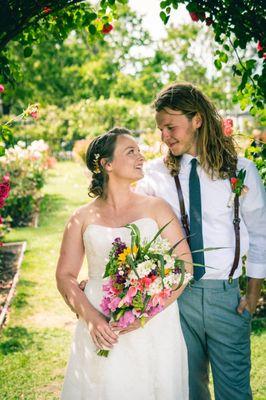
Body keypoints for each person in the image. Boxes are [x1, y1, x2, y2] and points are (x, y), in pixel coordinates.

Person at [135, 82, 266, 400]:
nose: (165, 136)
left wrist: (252, 295)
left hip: (226, 298)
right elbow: (130, 228)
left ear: (197, 120)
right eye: (160, 129)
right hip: (176, 298)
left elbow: (261, 233)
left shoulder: (241, 171)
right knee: (187, 388)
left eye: (171, 126)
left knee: (234, 391)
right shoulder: (153, 175)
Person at [56, 127, 193, 400]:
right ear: (107, 164)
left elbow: (185, 266)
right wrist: (92, 319)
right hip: (102, 324)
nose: (140, 157)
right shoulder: (81, 217)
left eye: (139, 151)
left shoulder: (156, 208)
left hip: (155, 323)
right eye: (131, 152)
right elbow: (65, 275)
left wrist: (144, 313)